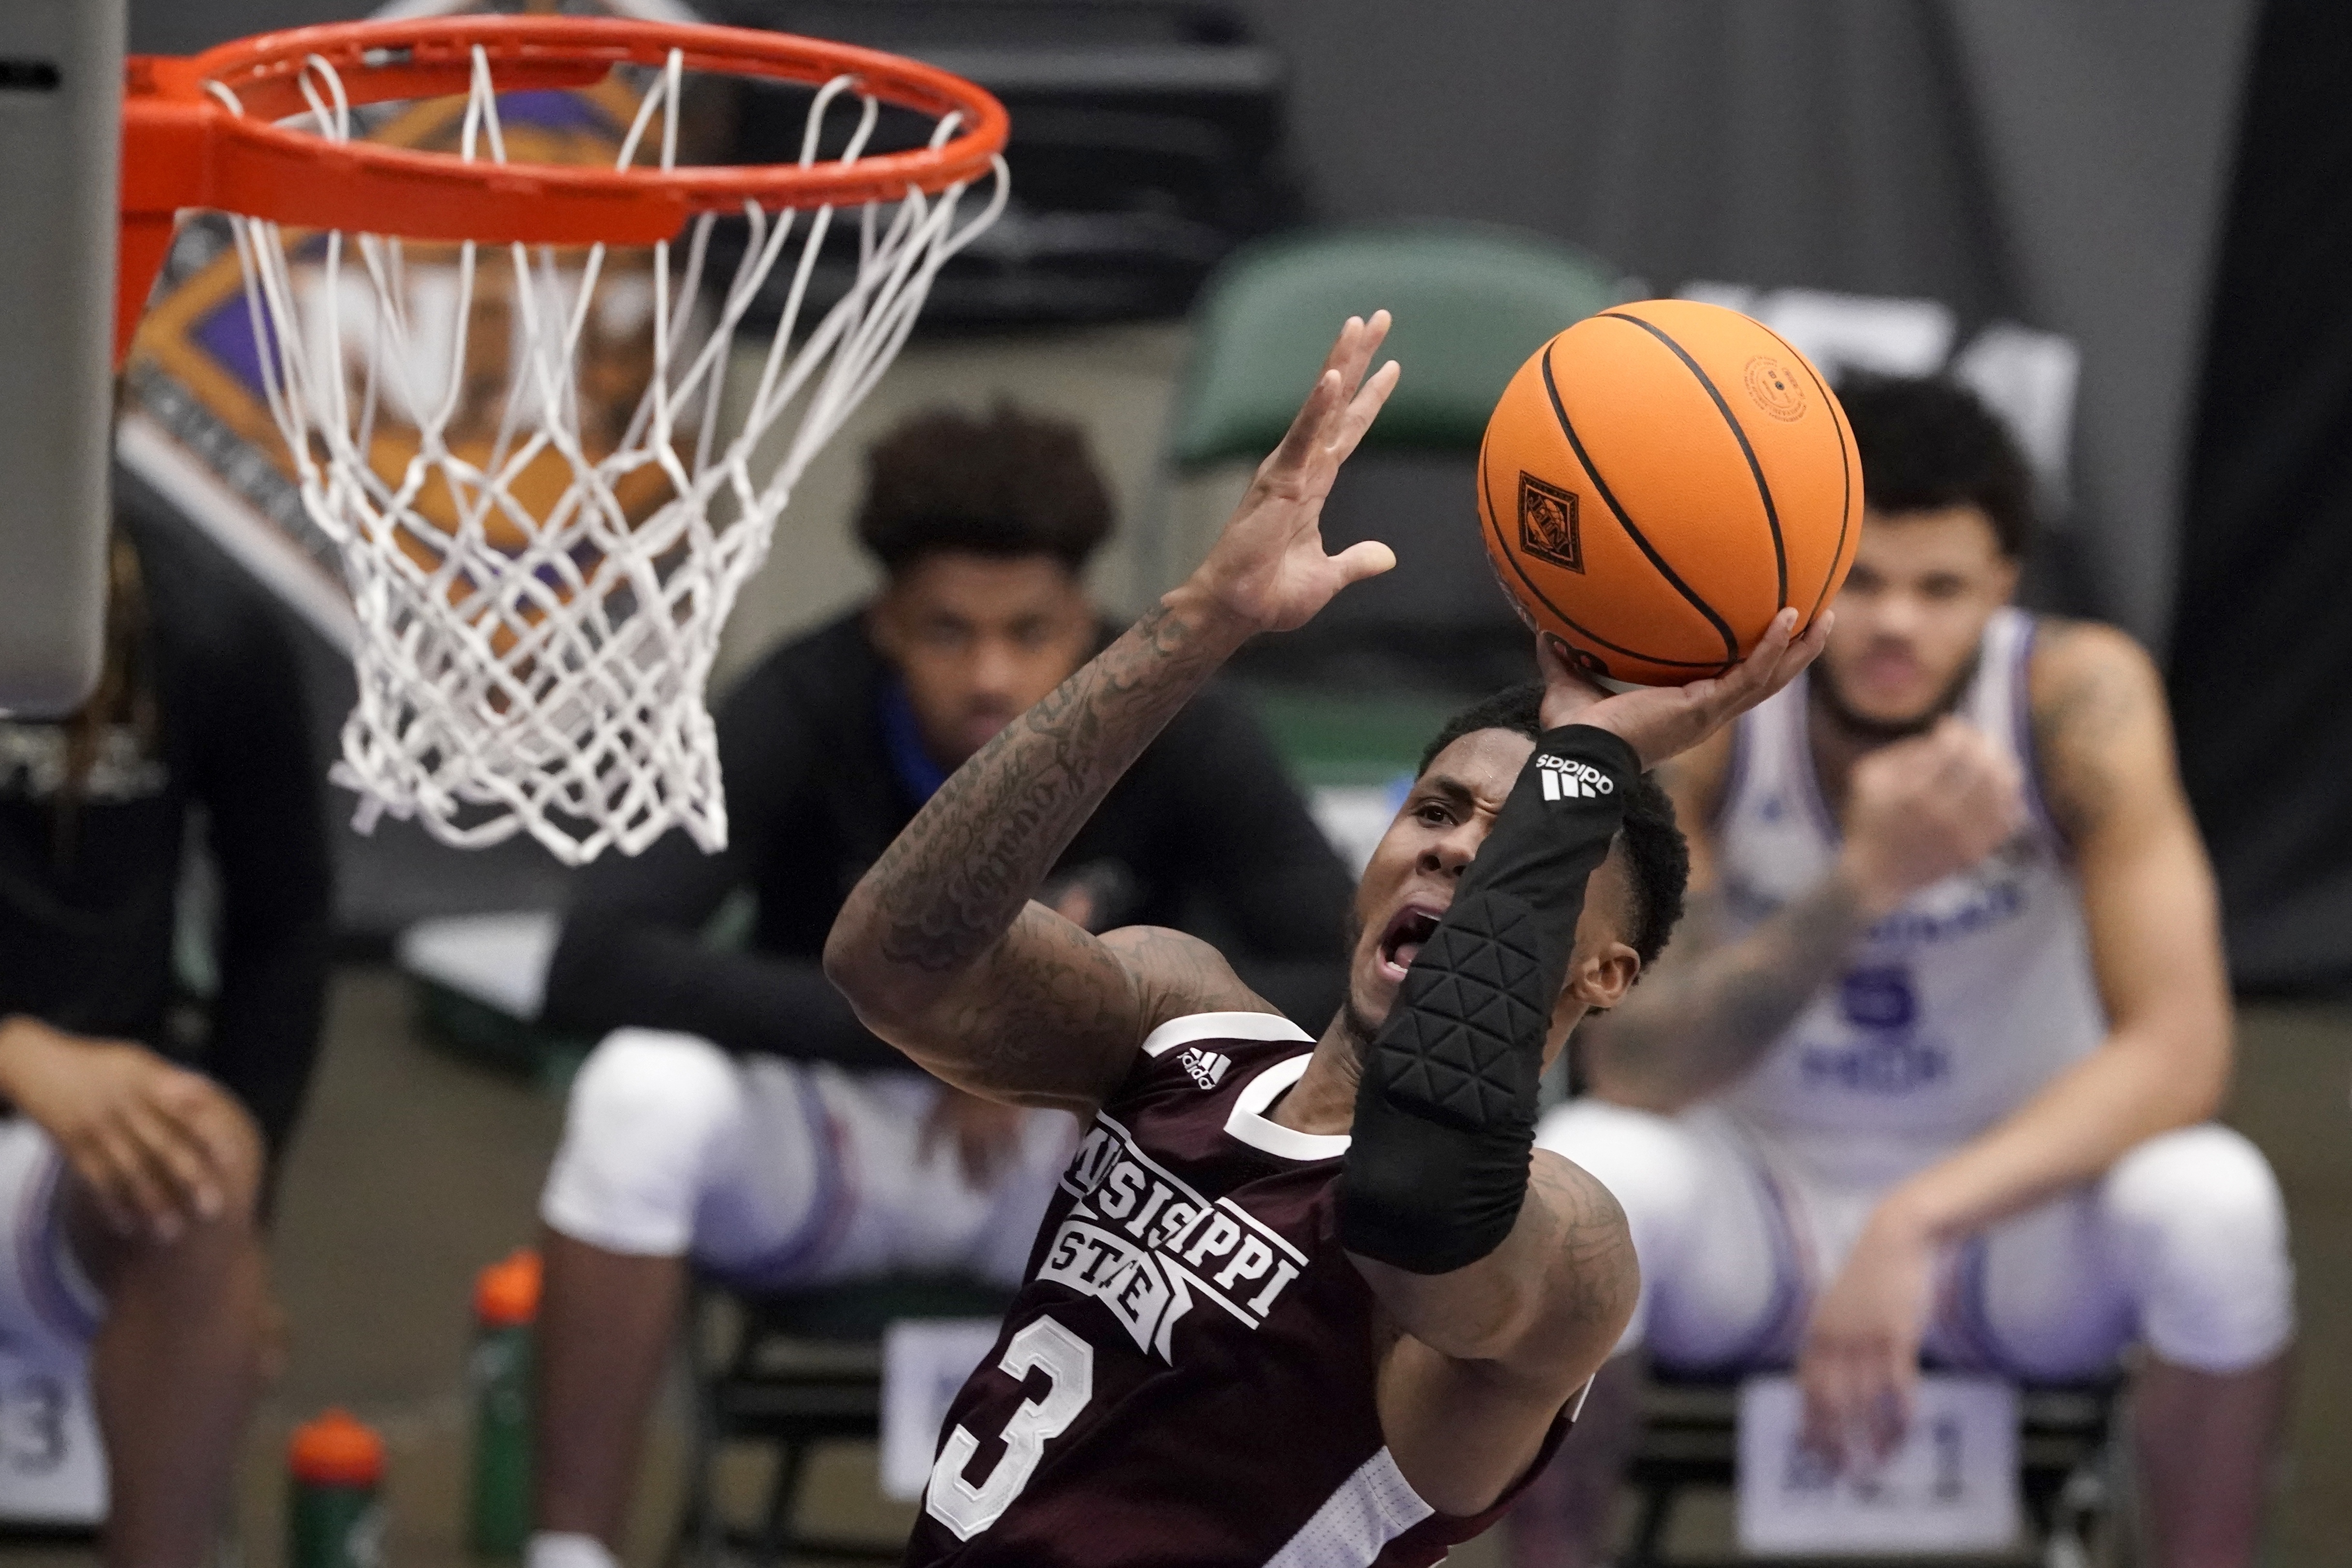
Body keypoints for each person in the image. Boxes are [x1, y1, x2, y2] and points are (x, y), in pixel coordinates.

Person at [822, 313, 1830, 1565]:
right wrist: (1202, 617)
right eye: (1437, 808)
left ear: (1604, 968)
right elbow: (895, 956)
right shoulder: (1180, 1021)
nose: (1458, 846)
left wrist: (1584, 765)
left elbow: (1412, 1206)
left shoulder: (1564, 1245)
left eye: (1509, 842)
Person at [527, 402, 1357, 1568]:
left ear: (1087, 622)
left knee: (1303, 1160)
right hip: (853, 1141)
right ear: (882, 626)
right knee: (635, 1094)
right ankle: (568, 1555)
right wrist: (949, 1027)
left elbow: (1343, 982)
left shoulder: (1186, 725)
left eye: (1030, 633)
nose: (991, 675)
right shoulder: (804, 702)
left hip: (1087, 1177)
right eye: (947, 633)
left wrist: (1078, 1040)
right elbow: (593, 960)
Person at [1511, 375, 2294, 1568]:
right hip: (1759, 1205)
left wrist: (1918, 1223)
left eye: (1940, 590)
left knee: (2215, 1205)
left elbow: (2182, 1051)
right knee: (1579, 1178)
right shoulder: (1718, 709)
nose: (1894, 628)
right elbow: (1633, 1061)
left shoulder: (2075, 698)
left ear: (2004, 586)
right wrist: (1861, 885)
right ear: (1806, 575)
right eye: (1861, 583)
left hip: (2004, 1217)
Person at [0, 509, 332, 1568]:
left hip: (75, 1147)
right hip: (36, 1080)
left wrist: (248, 1225)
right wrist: (11, 1049)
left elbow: (282, 925)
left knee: (201, 1162)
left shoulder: (204, 625)